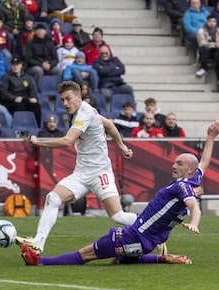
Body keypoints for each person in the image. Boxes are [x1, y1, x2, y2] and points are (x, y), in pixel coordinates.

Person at [21, 121, 219, 267]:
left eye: (179, 163)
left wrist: (195, 222)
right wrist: (211, 137)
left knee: (86, 254)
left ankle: (40, 261)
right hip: (147, 243)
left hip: (133, 235)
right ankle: (162, 258)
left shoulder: (182, 186)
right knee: (121, 258)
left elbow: (194, 207)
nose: (173, 165)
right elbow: (204, 163)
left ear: (188, 170)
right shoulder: (195, 177)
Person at [19, 81, 137, 255]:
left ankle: (152, 227)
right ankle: (38, 243)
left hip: (100, 173)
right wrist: (122, 147)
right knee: (53, 198)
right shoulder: (87, 110)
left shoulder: (85, 113)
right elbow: (110, 125)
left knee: (118, 216)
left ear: (78, 97)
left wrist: (38, 142)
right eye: (62, 100)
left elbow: (67, 141)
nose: (65, 104)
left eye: (68, 99)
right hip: (81, 173)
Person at [0, 57, 42, 127]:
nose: (15, 67)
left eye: (17, 65)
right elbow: (3, 93)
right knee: (19, 106)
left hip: (25, 99)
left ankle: (37, 127)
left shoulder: (27, 77)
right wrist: (14, 98)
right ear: (11, 65)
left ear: (21, 65)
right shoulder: (5, 77)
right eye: (13, 65)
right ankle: (20, 127)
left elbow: (32, 90)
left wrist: (34, 98)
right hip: (10, 101)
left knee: (36, 106)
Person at [24, 23, 60, 90]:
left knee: (58, 70)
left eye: (42, 30)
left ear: (45, 31)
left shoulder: (50, 43)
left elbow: (56, 59)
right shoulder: (30, 43)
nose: (40, 32)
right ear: (35, 32)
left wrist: (50, 64)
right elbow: (28, 59)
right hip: (33, 66)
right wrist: (41, 64)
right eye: (38, 30)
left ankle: (57, 91)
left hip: (48, 66)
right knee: (38, 70)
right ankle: (38, 91)